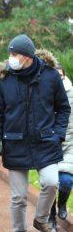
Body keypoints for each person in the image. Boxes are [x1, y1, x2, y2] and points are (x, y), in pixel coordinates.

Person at [0, 35, 71, 232]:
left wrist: (58, 134)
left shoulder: (51, 76)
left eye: (14, 54)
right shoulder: (3, 80)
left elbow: (63, 108)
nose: (10, 58)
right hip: (15, 144)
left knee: (52, 182)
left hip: (46, 142)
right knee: (18, 197)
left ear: (26, 56)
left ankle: (42, 218)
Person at [53, 65, 72, 221]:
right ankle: (51, 213)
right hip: (48, 145)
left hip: (70, 143)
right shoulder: (41, 93)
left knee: (66, 181)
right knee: (50, 183)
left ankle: (63, 204)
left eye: (60, 75)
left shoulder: (71, 93)